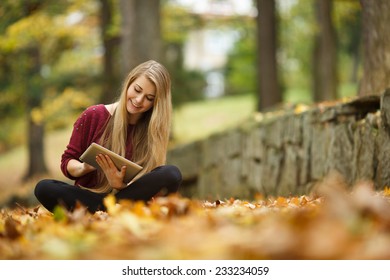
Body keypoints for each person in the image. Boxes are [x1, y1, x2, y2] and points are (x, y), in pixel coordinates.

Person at [34, 60, 182, 213]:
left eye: (149, 98)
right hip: (90, 196)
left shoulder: (153, 131)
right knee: (44, 187)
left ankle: (110, 208)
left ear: (156, 103)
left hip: (127, 198)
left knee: (172, 173)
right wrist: (84, 167)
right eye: (137, 90)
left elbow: (150, 187)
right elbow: (67, 162)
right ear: (129, 83)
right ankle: (111, 209)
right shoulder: (93, 115)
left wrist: (120, 185)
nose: (139, 100)